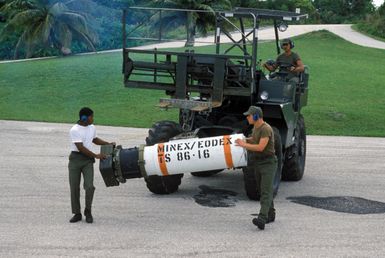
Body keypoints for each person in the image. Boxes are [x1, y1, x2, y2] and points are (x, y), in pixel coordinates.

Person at [68, 107, 114, 223]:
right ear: (84, 118)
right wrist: (96, 155)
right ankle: (77, 213)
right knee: (74, 187)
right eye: (91, 116)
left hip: (87, 161)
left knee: (89, 186)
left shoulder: (92, 127)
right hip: (75, 160)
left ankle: (88, 211)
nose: (93, 118)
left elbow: (95, 140)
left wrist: (107, 144)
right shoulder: (74, 130)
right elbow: (81, 148)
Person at [235, 106, 277, 230]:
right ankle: (271, 213)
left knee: (265, 191)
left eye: (249, 115)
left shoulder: (266, 129)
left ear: (256, 116)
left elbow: (260, 147)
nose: (247, 117)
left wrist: (244, 144)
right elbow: (254, 139)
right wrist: (243, 140)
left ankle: (262, 218)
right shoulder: (256, 128)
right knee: (263, 189)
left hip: (268, 163)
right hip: (259, 163)